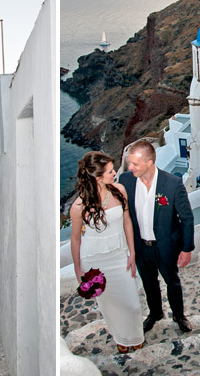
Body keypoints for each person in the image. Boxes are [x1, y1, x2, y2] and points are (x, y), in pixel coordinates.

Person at [70, 151, 144, 353]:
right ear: (97, 176)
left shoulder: (119, 190)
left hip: (119, 254)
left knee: (132, 304)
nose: (115, 173)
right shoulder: (78, 206)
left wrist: (132, 253)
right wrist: (78, 269)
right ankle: (122, 338)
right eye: (111, 171)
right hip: (94, 260)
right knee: (110, 304)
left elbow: (127, 220)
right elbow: (76, 239)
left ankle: (135, 335)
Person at [118, 140, 195, 333]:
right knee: (149, 283)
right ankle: (155, 313)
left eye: (135, 164)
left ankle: (179, 315)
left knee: (172, 282)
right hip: (142, 247)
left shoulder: (172, 184)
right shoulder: (126, 181)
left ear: (149, 163)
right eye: (130, 163)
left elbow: (186, 218)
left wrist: (186, 249)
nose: (130, 167)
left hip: (166, 246)